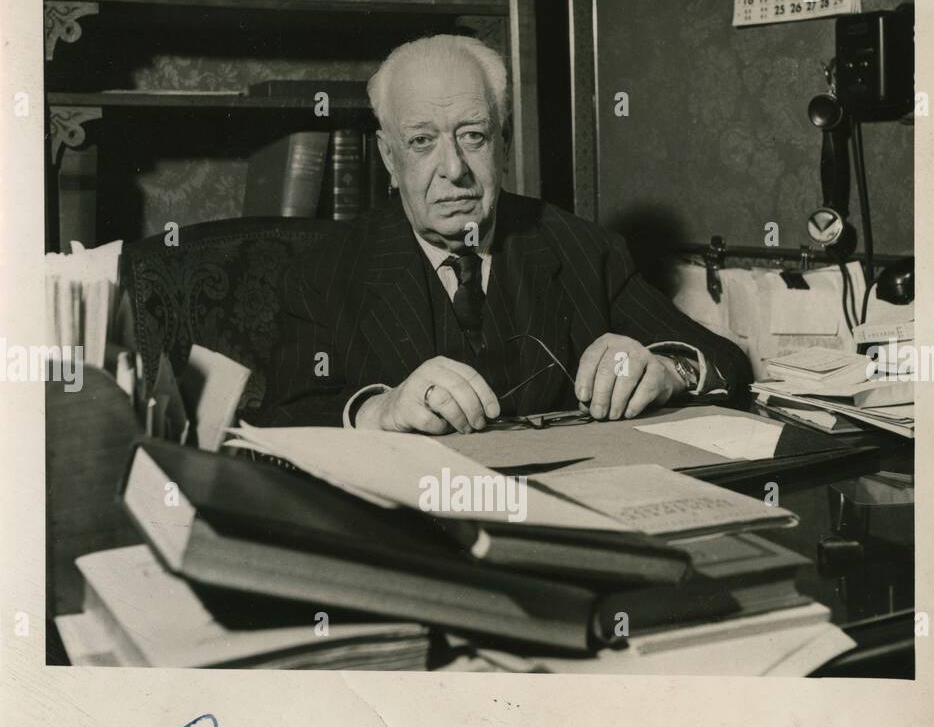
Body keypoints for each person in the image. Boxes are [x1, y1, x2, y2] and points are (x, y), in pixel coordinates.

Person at [256, 34, 750, 433]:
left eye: (473, 135)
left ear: (503, 145)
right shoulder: (325, 272)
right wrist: (377, 411)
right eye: (422, 141)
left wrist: (667, 370)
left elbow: (725, 361)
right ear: (389, 158)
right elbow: (282, 418)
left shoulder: (583, 249)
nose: (453, 169)